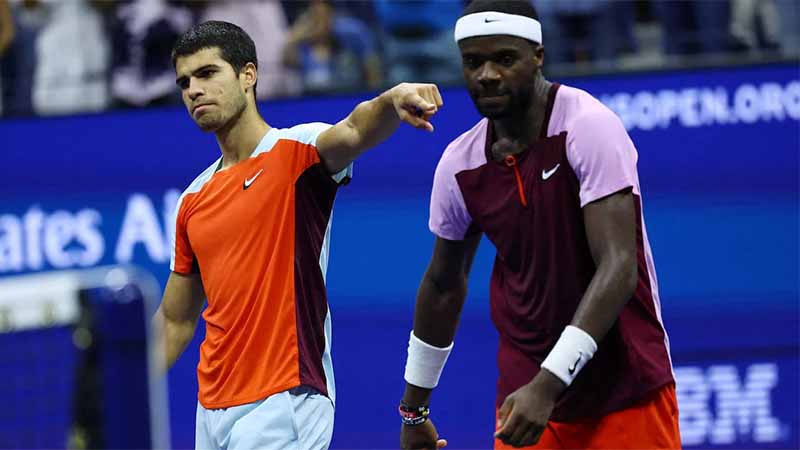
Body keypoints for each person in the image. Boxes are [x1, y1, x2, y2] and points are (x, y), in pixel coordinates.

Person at [397, 1, 680, 449]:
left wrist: (549, 383)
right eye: (473, 62)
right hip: (524, 401)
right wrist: (414, 412)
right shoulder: (459, 164)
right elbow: (443, 286)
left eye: (504, 59)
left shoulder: (588, 127)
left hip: (625, 391)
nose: (487, 74)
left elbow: (618, 266)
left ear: (538, 56)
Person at [154, 20, 442, 450]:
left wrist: (391, 99)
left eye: (208, 73)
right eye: (185, 81)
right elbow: (176, 320)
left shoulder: (298, 151)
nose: (194, 89)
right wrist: (118, 391)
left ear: (247, 74)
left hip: (285, 396)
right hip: (210, 409)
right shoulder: (193, 198)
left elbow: (356, 129)